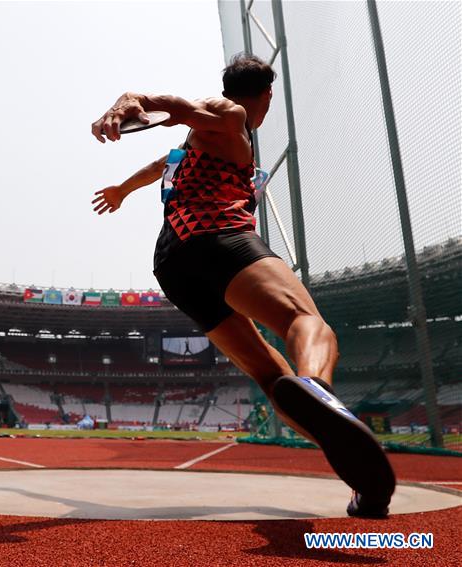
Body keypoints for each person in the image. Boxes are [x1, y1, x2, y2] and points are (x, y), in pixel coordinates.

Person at [90, 54, 395, 517]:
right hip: (218, 237)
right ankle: (318, 388)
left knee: (272, 376)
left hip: (173, 265)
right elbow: (172, 105)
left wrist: (121, 190)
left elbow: (160, 163)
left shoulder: (197, 144)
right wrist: (129, 100)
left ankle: (362, 482)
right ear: (266, 95)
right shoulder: (231, 115)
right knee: (305, 322)